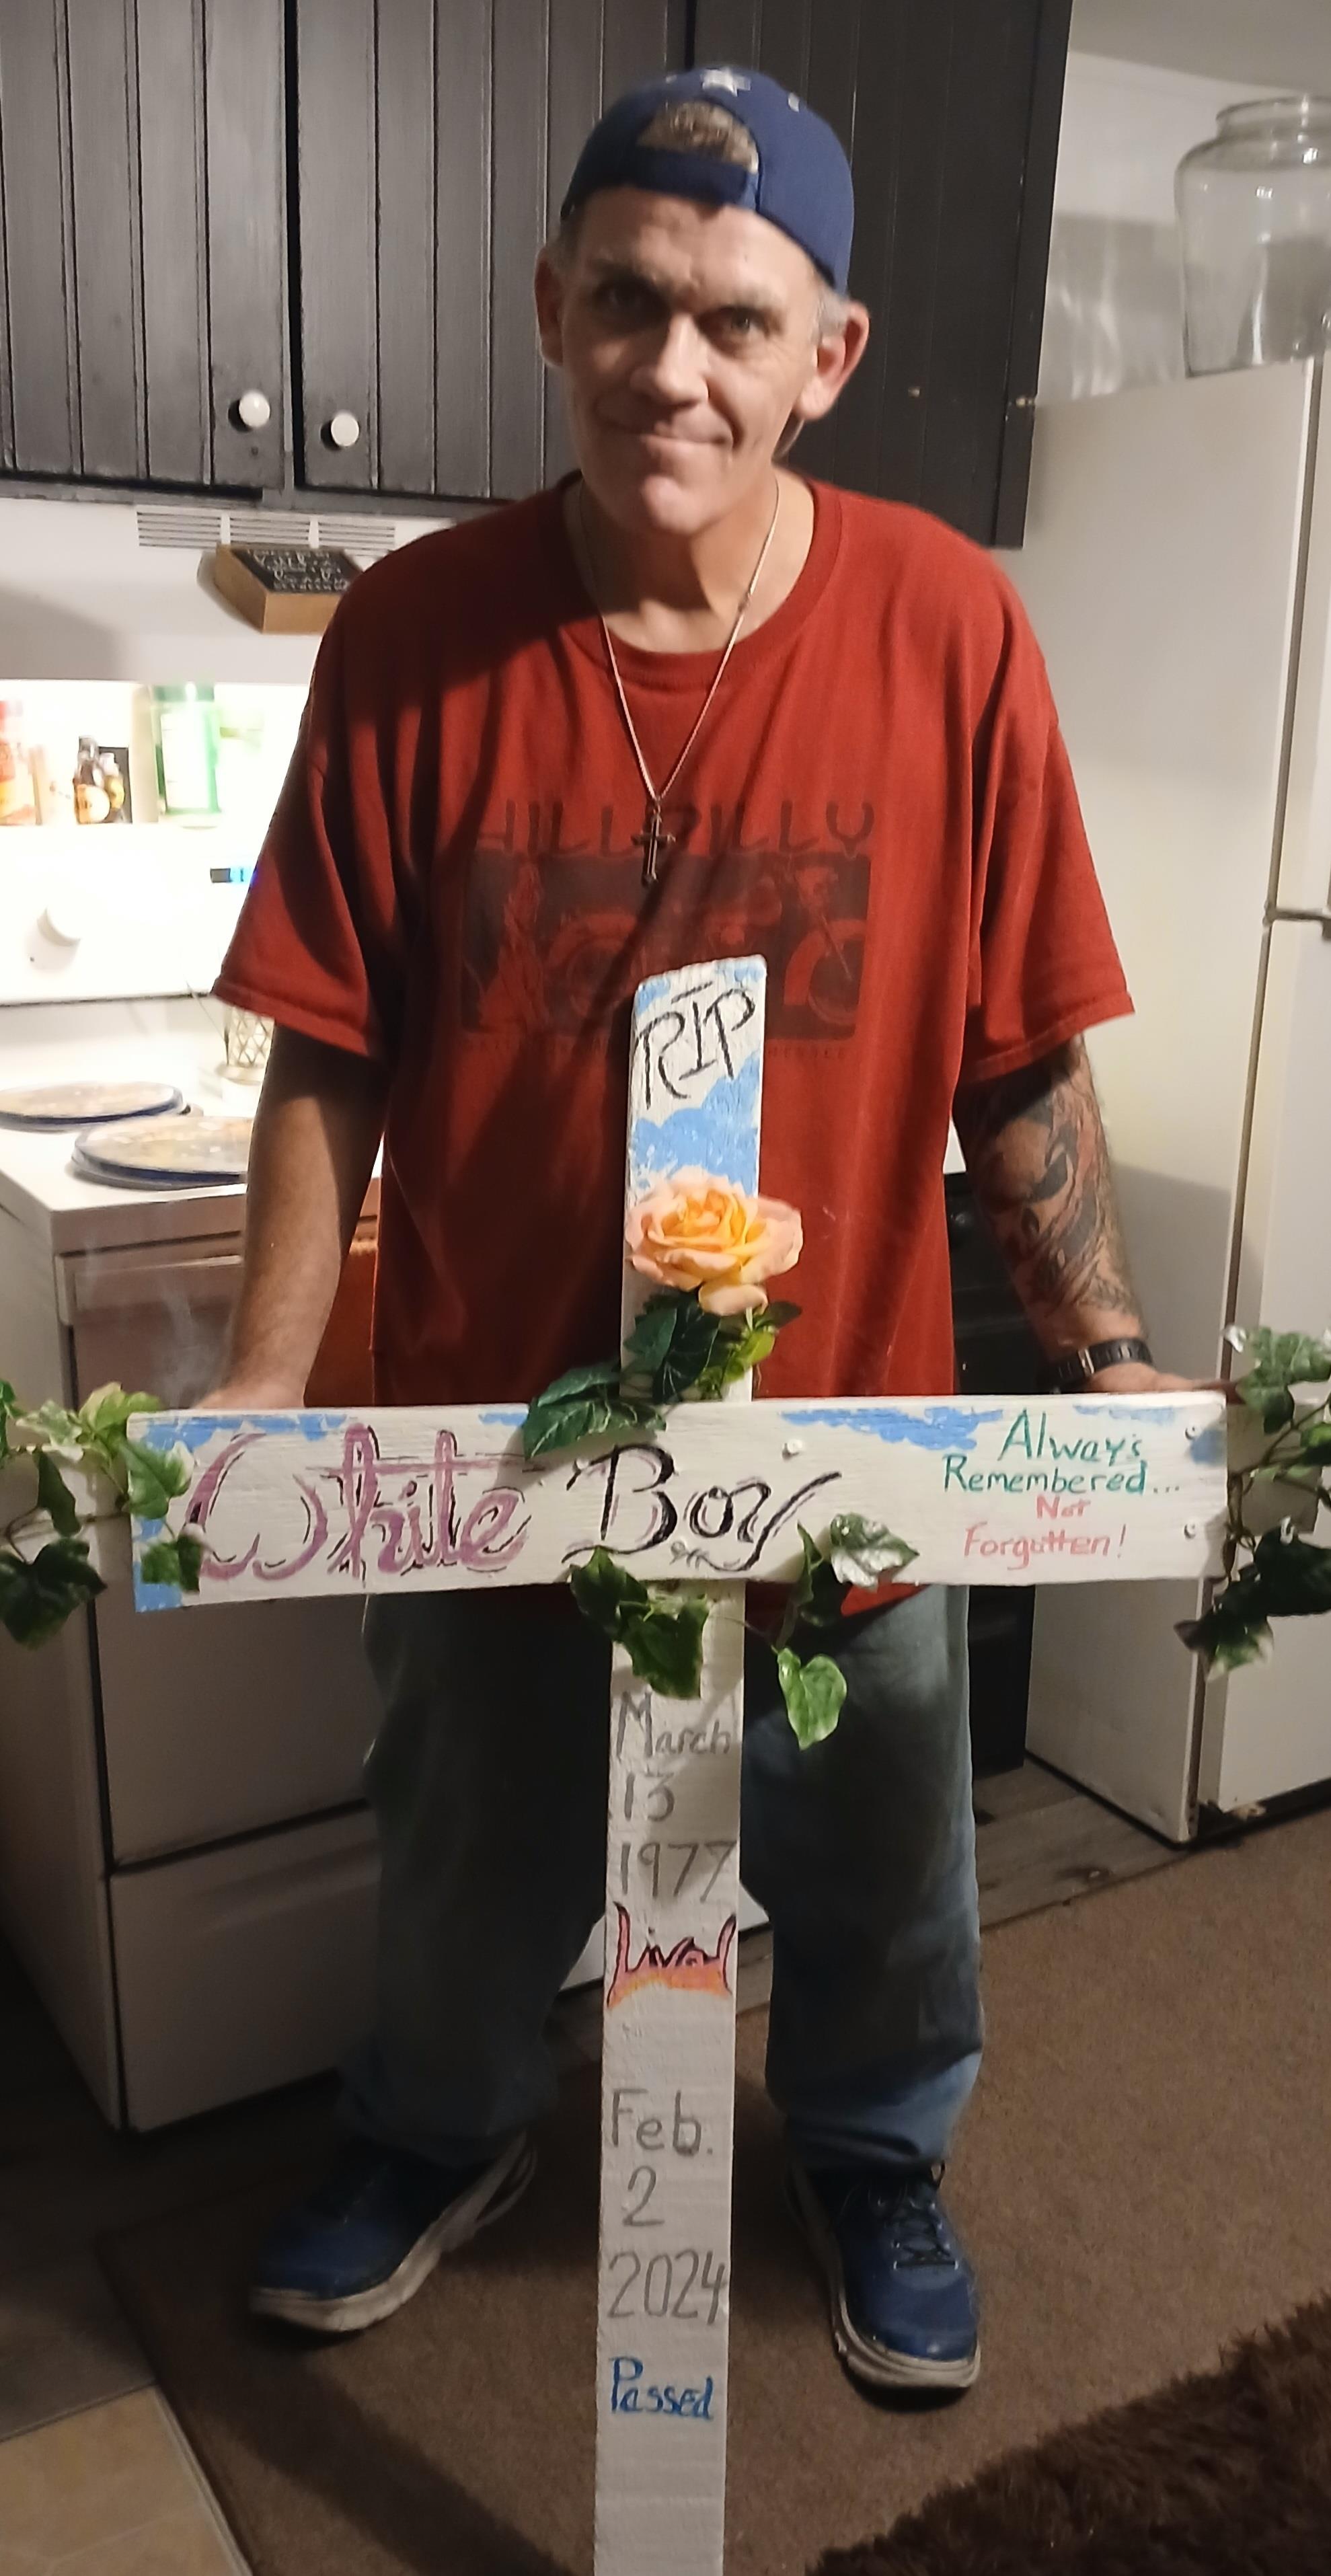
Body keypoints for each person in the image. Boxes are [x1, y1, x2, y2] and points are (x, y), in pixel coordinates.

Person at [208, 65, 1196, 2395]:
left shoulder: (947, 628)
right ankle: (442, 2126)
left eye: (737, 323)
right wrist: (259, 1383)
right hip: (504, 1434)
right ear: (549, 304)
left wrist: (1101, 1349)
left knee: (881, 1839)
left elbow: (1018, 1044)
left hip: (843, 1431)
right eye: (629, 304)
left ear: (825, 357)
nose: (674, 368)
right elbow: (329, 1046)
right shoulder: (412, 635)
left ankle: (869, 2149)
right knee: (470, 1838)